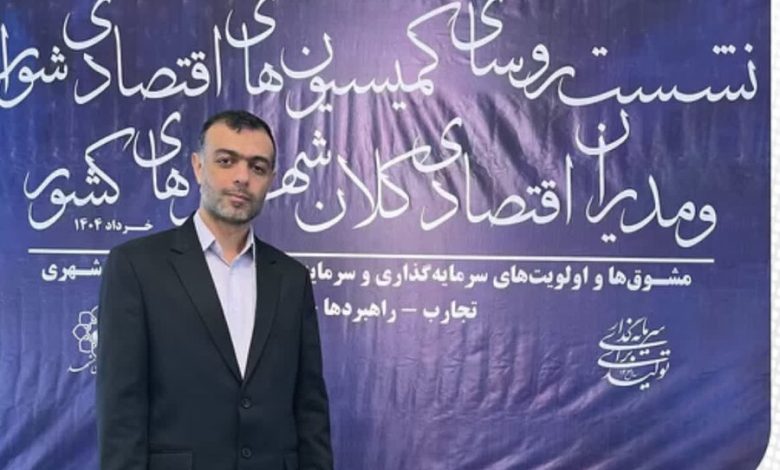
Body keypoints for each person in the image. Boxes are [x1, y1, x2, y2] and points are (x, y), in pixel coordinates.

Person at [97, 110, 333, 470]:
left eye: (257, 167)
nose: (242, 177)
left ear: (271, 180)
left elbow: (310, 409)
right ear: (197, 167)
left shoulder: (292, 278)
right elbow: (121, 410)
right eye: (226, 161)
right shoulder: (136, 266)